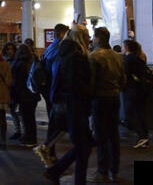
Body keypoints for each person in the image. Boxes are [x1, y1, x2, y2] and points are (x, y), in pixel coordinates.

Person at [43, 25, 92, 185]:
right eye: (87, 36)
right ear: (80, 37)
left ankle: (64, 174)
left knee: (84, 145)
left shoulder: (66, 52)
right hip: (75, 106)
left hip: (72, 105)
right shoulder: (75, 55)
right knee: (83, 145)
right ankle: (57, 171)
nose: (89, 39)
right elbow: (75, 83)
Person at [89, 27, 125, 183]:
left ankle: (102, 169)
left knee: (101, 135)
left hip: (100, 98)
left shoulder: (94, 56)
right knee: (113, 134)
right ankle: (114, 169)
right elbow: (123, 80)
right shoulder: (117, 57)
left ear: (97, 38)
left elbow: (90, 81)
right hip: (114, 96)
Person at [33, 23, 69, 167]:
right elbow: (56, 75)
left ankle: (49, 151)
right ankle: (48, 150)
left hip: (49, 91)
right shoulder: (58, 49)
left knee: (56, 123)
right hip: (54, 93)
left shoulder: (50, 48)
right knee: (60, 123)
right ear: (61, 34)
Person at [11, 44, 41, 147]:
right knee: (31, 117)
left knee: (25, 117)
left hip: (23, 95)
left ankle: (28, 139)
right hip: (33, 94)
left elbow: (16, 82)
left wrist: (13, 95)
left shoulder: (18, 64)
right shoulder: (34, 62)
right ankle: (32, 137)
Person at [123, 39, 149, 149]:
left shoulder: (128, 59)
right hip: (140, 90)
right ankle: (144, 137)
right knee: (139, 114)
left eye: (123, 47)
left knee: (130, 115)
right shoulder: (138, 58)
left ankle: (142, 136)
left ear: (127, 48)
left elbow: (125, 74)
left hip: (131, 90)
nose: (122, 49)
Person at [2, 41, 22, 140]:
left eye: (12, 49)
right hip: (8, 89)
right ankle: (17, 130)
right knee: (12, 111)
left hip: (17, 87)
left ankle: (23, 131)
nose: (10, 51)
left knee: (19, 111)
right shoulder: (4, 61)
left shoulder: (17, 60)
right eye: (8, 49)